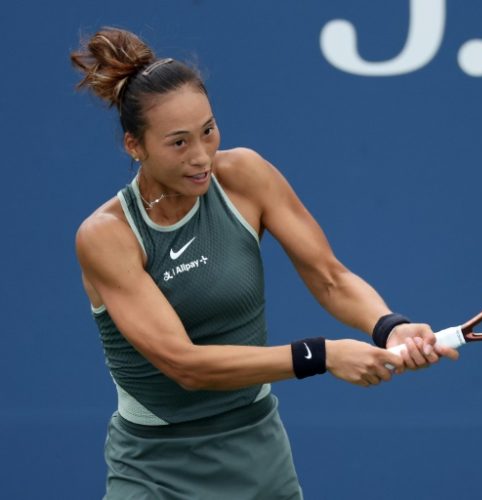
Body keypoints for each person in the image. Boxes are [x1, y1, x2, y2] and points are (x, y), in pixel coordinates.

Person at [71, 27, 458, 499]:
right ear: (135, 146)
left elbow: (331, 277)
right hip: (155, 470)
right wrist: (324, 355)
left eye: (208, 131)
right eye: (178, 143)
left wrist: (388, 326)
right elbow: (185, 365)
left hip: (259, 457)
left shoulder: (245, 176)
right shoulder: (108, 236)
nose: (201, 157)